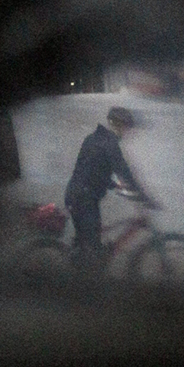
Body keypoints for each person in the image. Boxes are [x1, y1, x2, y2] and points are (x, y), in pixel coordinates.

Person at [63, 106, 156, 265]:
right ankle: (77, 280)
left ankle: (80, 268)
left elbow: (91, 171)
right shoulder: (110, 144)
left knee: (88, 246)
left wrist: (116, 187)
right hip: (84, 199)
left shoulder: (93, 138)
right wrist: (144, 198)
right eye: (127, 127)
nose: (128, 131)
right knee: (95, 255)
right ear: (120, 125)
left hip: (77, 195)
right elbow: (125, 174)